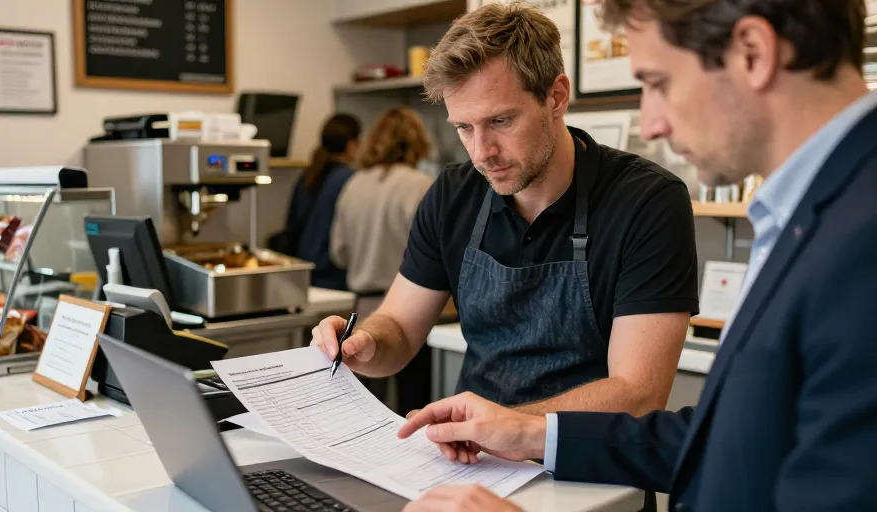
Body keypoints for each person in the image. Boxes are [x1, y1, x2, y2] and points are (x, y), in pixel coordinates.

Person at [397, 0, 877, 510]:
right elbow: (734, 436)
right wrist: (524, 432)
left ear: (753, 53)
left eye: (657, 82)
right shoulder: (813, 213)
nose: (649, 125)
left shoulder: (859, 240)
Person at [311, 2, 698, 415]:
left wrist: (502, 427)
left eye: (500, 121)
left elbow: (639, 394)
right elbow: (401, 332)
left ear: (556, 97)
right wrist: (365, 344)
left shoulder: (647, 201)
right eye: (463, 127)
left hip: (588, 467)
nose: (482, 153)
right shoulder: (452, 194)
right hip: (472, 459)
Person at [328, 106, 436, 413]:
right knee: (410, 410)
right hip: (413, 312)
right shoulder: (421, 184)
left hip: (360, 312)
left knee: (363, 412)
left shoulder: (353, 184)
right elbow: (434, 259)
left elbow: (338, 253)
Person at [281, 113, 361, 290]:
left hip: (303, 274)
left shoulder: (308, 176)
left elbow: (292, 225)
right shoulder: (349, 180)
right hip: (333, 276)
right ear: (351, 144)